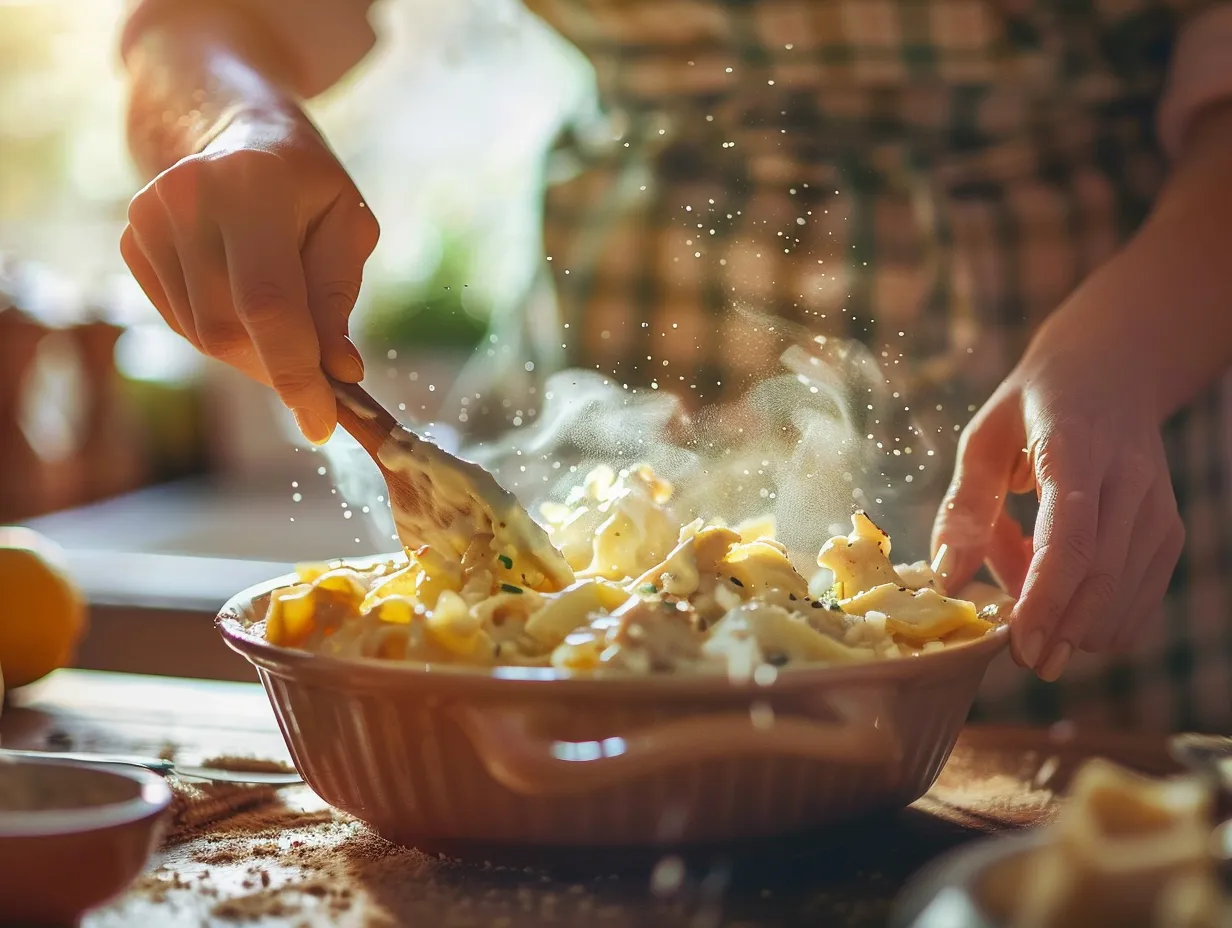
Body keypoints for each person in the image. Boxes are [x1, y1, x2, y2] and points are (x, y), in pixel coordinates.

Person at [118, 0, 1232, 731]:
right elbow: (212, 21)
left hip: (1117, 371)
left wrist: (1118, 359)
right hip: (614, 307)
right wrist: (227, 123)